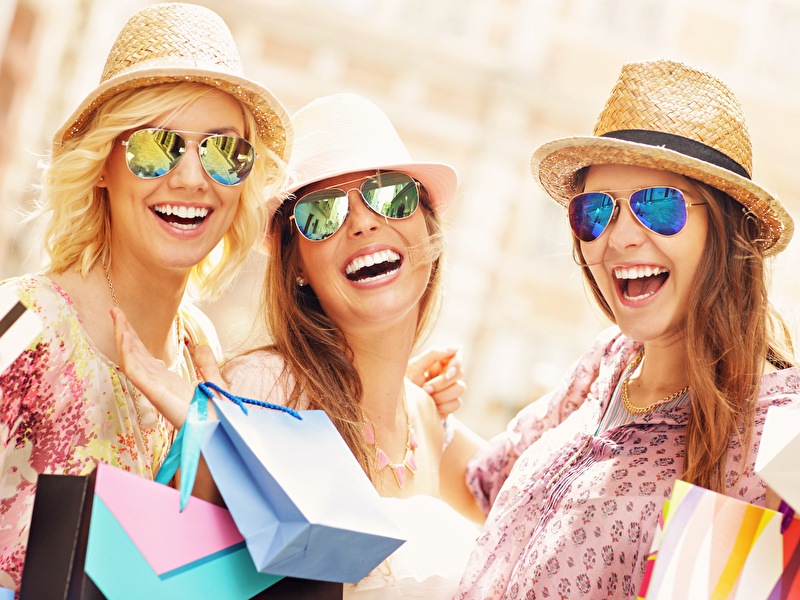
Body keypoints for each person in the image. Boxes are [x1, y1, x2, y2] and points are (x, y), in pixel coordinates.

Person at [454, 59, 800, 598]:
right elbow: (481, 482)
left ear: (728, 233)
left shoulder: (776, 434)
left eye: (656, 206)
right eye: (595, 211)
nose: (617, 238)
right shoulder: (606, 365)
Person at [113, 92, 482, 598]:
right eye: (320, 214)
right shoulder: (264, 391)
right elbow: (184, 581)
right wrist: (216, 439)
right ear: (298, 268)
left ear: (427, 227)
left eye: (390, 194)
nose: (362, 222)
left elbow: (565, 493)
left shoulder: (429, 418)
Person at [0, 3, 293, 591]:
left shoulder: (200, 350)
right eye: (157, 147)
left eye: (223, 152)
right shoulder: (28, 326)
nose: (190, 178)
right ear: (103, 164)